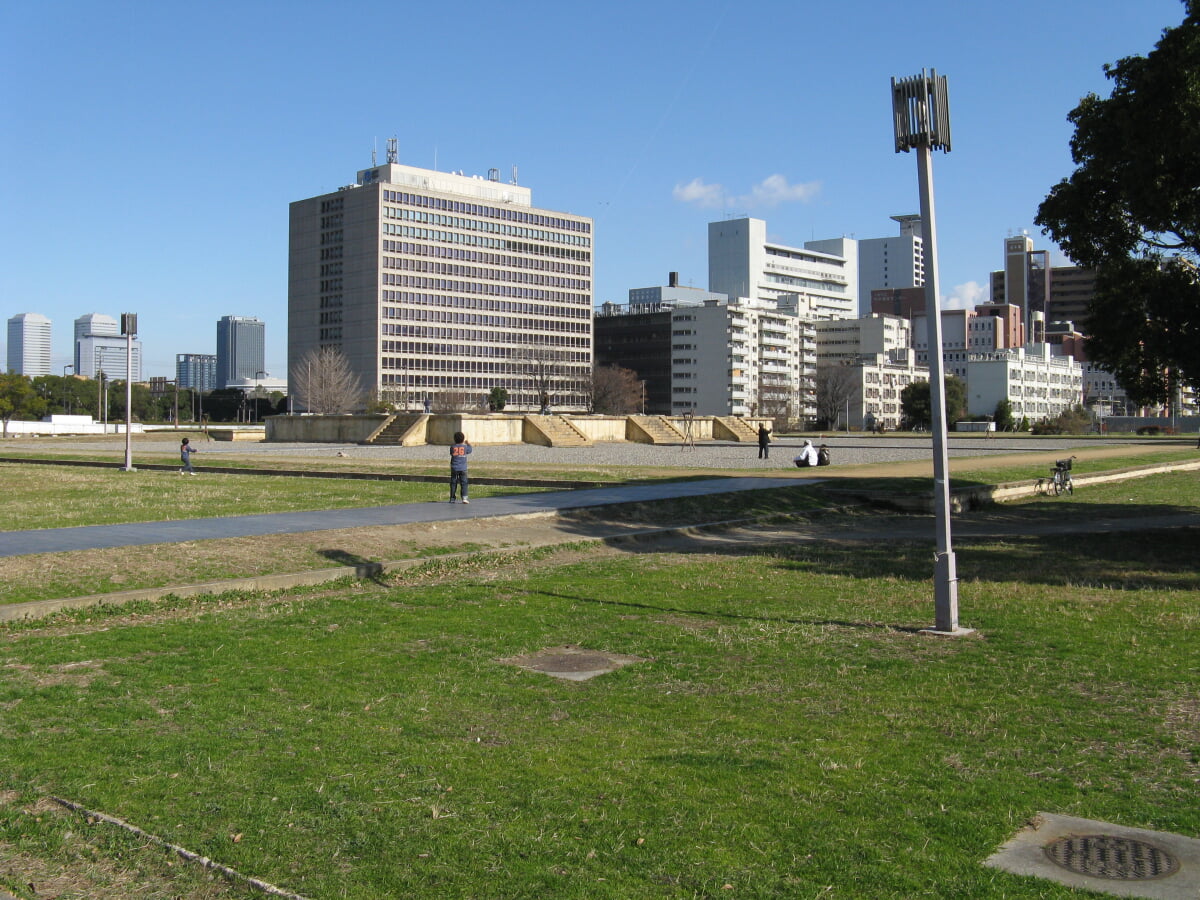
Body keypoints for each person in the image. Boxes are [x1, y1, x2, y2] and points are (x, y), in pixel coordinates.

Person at [449, 431, 472, 503]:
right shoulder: (465, 447)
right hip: (463, 468)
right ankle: (464, 497)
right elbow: (470, 450)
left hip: (454, 468)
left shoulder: (452, 447)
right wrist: (468, 443)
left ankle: (452, 498)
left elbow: (451, 453)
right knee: (464, 483)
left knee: (453, 483)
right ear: (463, 439)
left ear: (454, 439)